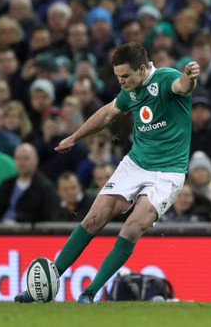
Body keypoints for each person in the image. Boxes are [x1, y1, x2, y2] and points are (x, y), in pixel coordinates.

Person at [15, 42, 200, 303]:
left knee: (132, 227)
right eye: (117, 76)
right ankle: (47, 283)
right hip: (135, 163)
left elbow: (183, 87)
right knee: (93, 218)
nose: (121, 81)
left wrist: (189, 78)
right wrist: (75, 136)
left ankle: (89, 293)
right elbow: (107, 114)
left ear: (143, 69)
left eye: (125, 76)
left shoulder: (166, 78)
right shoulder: (130, 90)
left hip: (168, 172)